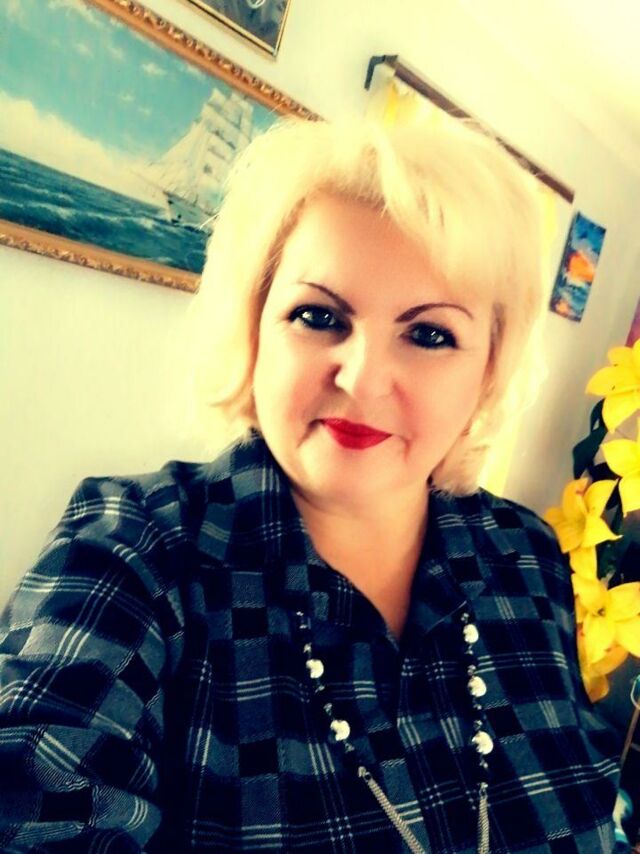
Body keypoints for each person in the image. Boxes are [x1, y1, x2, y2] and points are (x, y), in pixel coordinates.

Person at [0, 116, 620, 853]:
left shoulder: (529, 555)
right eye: (318, 316)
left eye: (429, 334)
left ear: (488, 371)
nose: (362, 378)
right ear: (256, 328)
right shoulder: (133, 551)